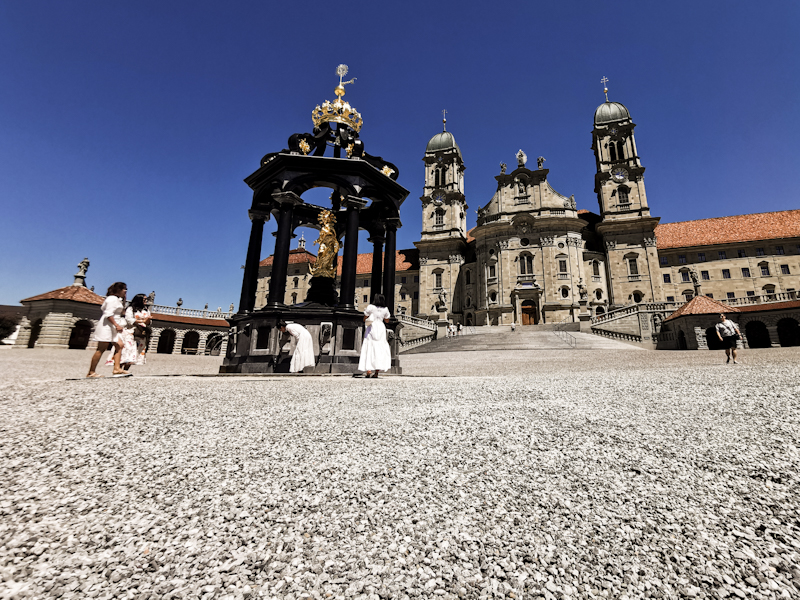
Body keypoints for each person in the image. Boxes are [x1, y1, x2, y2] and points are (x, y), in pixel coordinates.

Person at [87, 282, 129, 378]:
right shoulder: (112, 299)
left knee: (120, 345)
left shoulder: (117, 300)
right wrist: (116, 325)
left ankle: (117, 369)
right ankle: (91, 372)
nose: (125, 291)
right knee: (101, 348)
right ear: (118, 290)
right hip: (107, 326)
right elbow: (108, 314)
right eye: (123, 289)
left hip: (113, 326)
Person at [357, 294, 392, 378]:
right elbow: (387, 320)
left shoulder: (371, 307)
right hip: (381, 327)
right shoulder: (385, 309)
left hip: (372, 327)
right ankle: (376, 372)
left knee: (369, 347)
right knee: (380, 348)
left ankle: (369, 370)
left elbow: (365, 318)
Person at [120, 294, 151, 369]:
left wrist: (147, 320)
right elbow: (129, 319)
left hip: (141, 333)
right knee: (127, 350)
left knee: (135, 351)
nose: (146, 301)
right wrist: (142, 321)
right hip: (130, 332)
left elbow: (148, 322)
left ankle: (126, 369)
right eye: (144, 299)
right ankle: (119, 368)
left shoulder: (146, 310)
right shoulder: (131, 309)